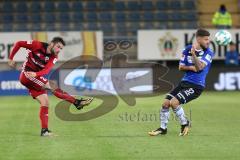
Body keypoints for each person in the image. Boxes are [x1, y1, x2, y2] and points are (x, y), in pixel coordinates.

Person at [8, 37, 93, 137]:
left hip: (34, 77)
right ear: (51, 44)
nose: (59, 50)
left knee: (45, 102)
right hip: (26, 75)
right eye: (58, 47)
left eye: (61, 49)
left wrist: (37, 74)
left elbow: (46, 71)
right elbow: (18, 43)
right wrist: (11, 58)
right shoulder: (37, 45)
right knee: (52, 86)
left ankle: (44, 131)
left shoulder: (54, 57)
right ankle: (76, 102)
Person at [148, 29, 214, 136]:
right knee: (165, 103)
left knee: (174, 102)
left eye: (208, 39)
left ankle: (185, 124)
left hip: (197, 86)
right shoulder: (187, 49)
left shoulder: (209, 53)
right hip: (184, 83)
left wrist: (194, 56)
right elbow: (181, 67)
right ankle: (162, 128)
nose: (208, 41)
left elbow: (200, 67)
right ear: (198, 39)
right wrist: (192, 67)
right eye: (206, 39)